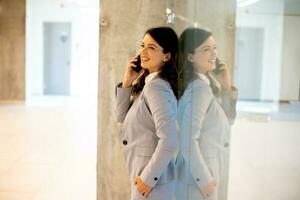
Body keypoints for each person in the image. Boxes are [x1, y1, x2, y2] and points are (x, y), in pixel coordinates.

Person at [115, 27, 179, 200]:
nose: (143, 51)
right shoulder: (149, 84)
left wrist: (147, 179)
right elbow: (122, 117)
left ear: (167, 56)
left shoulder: (157, 88)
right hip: (145, 177)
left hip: (152, 183)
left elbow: (170, 139)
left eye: (151, 47)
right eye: (143, 45)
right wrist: (127, 81)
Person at [176, 27, 238, 200]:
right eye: (206, 49)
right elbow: (187, 139)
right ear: (190, 57)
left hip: (201, 172)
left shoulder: (205, 85)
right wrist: (204, 180)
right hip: (199, 177)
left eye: (214, 48)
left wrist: (226, 87)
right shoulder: (199, 89)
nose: (214, 54)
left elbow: (227, 121)